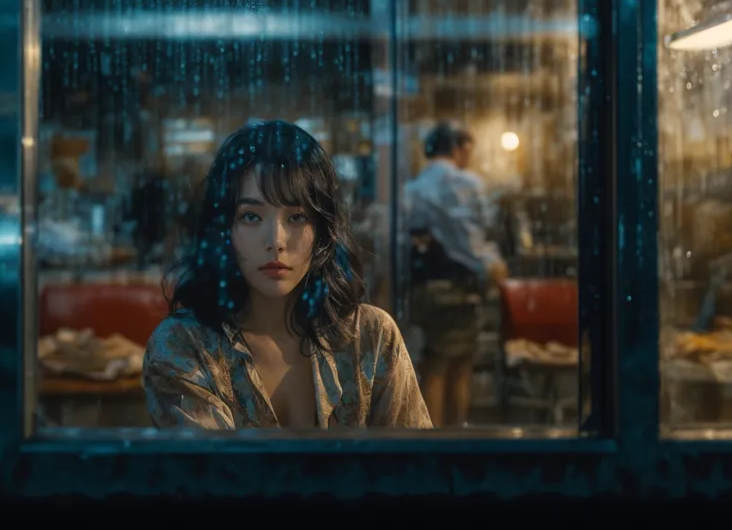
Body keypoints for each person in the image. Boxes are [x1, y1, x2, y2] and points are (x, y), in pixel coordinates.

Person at [143, 120, 431, 429]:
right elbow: (212, 475)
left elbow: (412, 470)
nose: (277, 241)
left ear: (322, 229)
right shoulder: (184, 345)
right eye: (251, 216)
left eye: (296, 216)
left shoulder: (371, 338)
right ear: (224, 230)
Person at [406, 122, 508, 428]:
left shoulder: (413, 189)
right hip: (458, 286)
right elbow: (476, 236)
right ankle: (453, 440)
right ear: (459, 148)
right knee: (459, 367)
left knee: (432, 365)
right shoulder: (468, 183)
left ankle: (432, 440)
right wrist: (493, 267)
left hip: (424, 287)